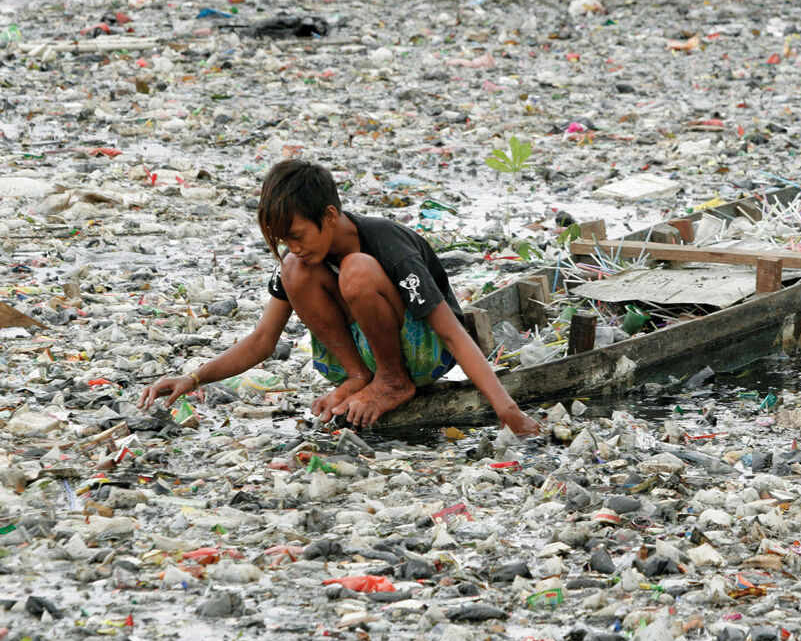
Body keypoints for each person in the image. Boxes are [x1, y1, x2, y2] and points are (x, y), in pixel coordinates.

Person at [138, 159, 540, 435]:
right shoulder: (300, 259)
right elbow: (263, 340)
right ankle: (360, 377)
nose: (294, 247)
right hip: (364, 358)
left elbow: (452, 332)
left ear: (330, 216)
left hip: (425, 354)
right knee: (293, 271)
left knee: (357, 269)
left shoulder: (387, 244)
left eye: (298, 236)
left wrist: (507, 410)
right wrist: (193, 378)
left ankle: (392, 381)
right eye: (285, 240)